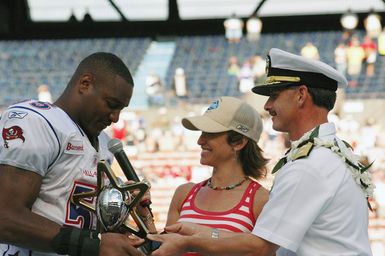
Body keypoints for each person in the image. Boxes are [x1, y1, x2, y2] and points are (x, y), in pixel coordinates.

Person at [148, 48, 374, 255]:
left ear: (301, 95)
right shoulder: (329, 154)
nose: (267, 105)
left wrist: (190, 242)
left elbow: (261, 247)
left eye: (274, 95)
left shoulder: (310, 164)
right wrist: (200, 231)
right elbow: (262, 240)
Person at [0, 52, 146, 256]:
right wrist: (93, 245)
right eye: (112, 105)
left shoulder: (103, 142)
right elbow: (5, 218)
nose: (115, 117)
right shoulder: (36, 121)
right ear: (85, 84)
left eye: (121, 109)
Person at [165, 96, 269, 255]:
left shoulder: (260, 200)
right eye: (202, 133)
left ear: (239, 142)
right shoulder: (184, 193)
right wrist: (144, 216)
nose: (200, 140)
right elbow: (165, 249)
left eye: (210, 133)